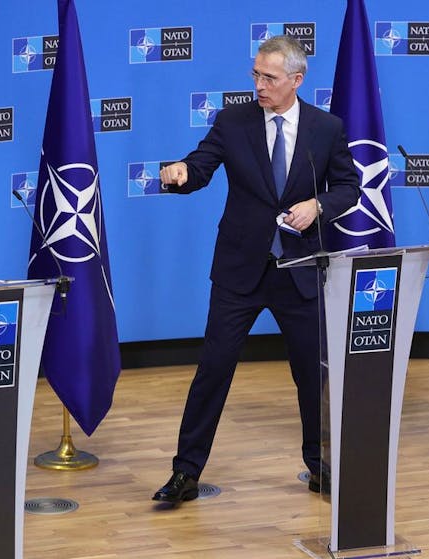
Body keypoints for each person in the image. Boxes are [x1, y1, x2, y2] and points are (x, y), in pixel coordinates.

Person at [151, 35, 360, 505]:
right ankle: (185, 473)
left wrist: (318, 205)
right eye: (256, 75)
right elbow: (200, 166)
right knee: (214, 368)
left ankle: (320, 467)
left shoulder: (326, 129)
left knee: (312, 375)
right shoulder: (233, 120)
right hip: (240, 270)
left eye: (269, 77)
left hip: (299, 269)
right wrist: (180, 173)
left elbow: (349, 186)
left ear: (296, 80)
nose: (259, 85)